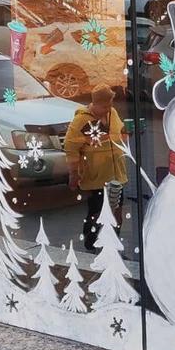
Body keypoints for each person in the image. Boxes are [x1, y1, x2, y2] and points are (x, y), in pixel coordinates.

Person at [63, 84, 128, 250]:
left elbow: (120, 134)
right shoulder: (81, 120)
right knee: (97, 211)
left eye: (110, 105)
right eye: (105, 106)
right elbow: (71, 147)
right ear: (95, 103)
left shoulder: (112, 113)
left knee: (117, 211)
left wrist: (127, 132)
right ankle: (91, 243)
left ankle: (113, 244)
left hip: (116, 174)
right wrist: (73, 173)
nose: (108, 109)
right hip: (96, 176)